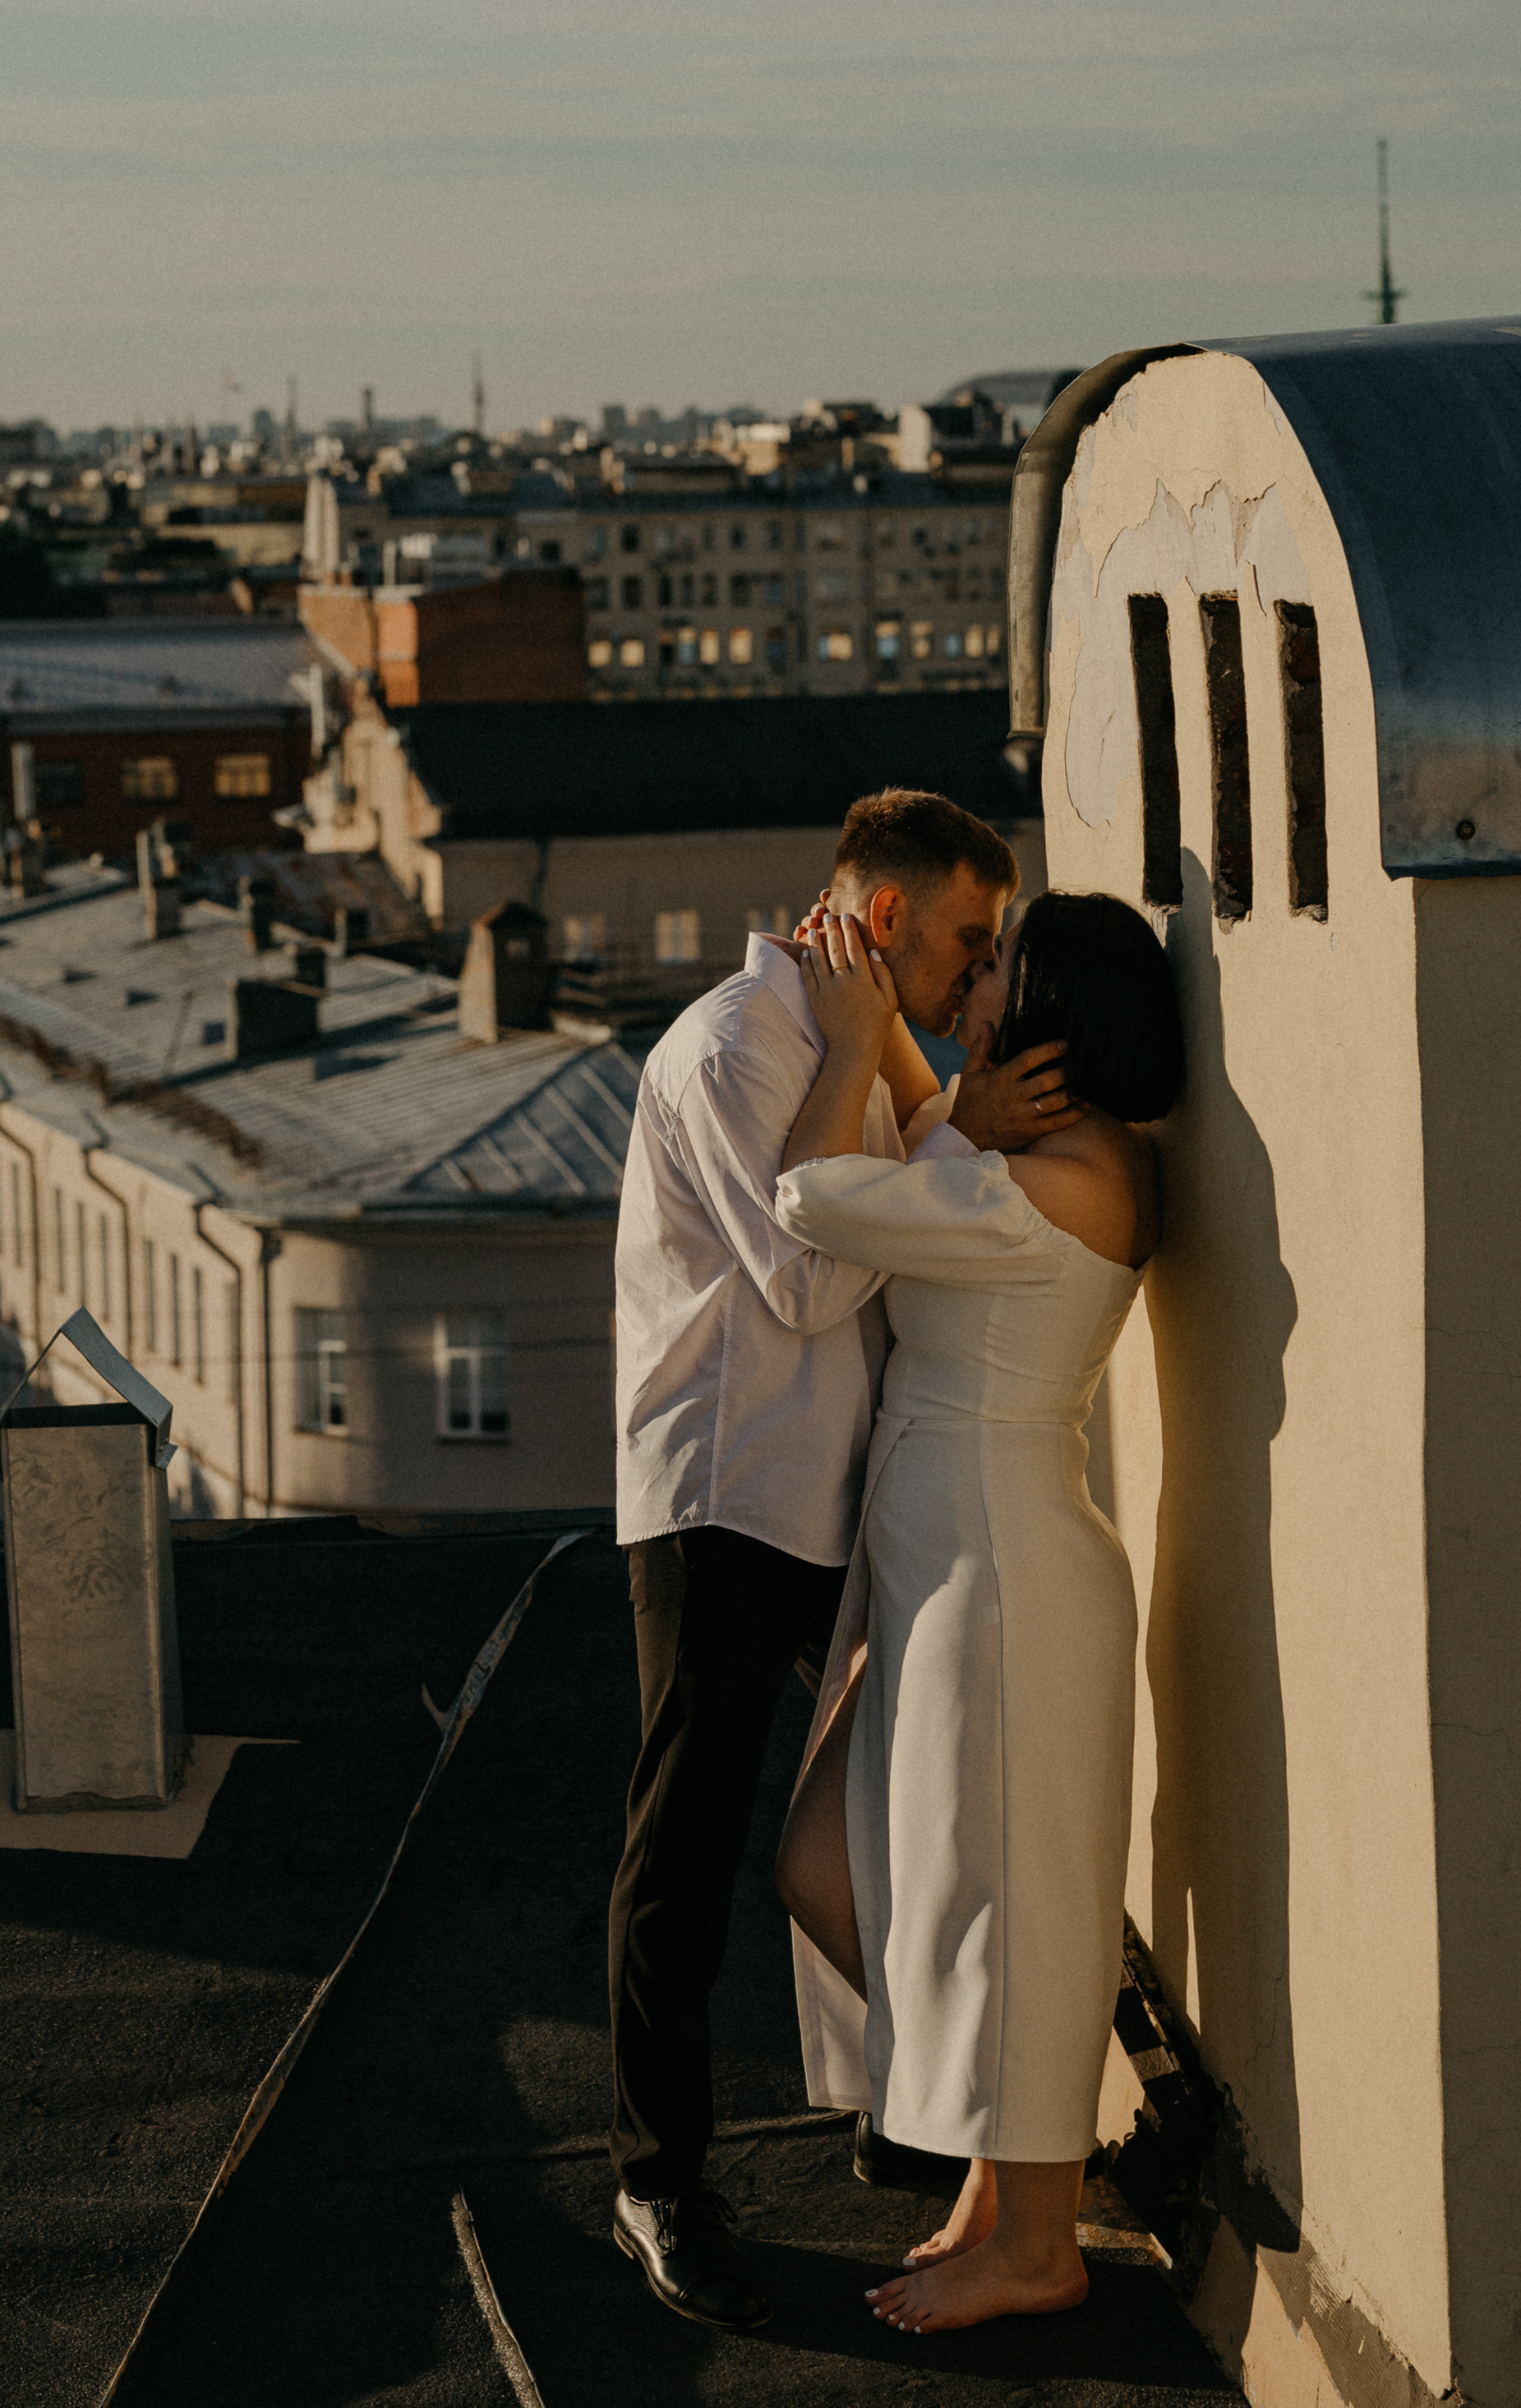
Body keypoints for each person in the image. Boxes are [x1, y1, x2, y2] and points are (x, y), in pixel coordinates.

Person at [606, 790, 1077, 2332]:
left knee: (900, 1815)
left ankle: (945, 2106)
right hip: (726, 1497)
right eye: (962, 938)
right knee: (687, 1843)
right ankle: (656, 2183)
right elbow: (813, 1275)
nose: (977, 967)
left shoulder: (847, 1045)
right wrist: (930, 1102)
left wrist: (928, 1093)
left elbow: (895, 1198)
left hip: (837, 1503)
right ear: (883, 924)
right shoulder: (739, 1044)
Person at [772, 888, 1185, 2334]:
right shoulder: (1031, 1152)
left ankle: (1036, 2240)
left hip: (1005, 1579)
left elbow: (818, 1198)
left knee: (1020, 1912)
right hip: (952, 1580)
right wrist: (950, 1095)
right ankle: (999, 2191)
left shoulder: (1065, 1177)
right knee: (838, 1870)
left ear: (1049, 1004)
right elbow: (924, 1168)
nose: (979, 967)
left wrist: (853, 1037)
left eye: (998, 956)